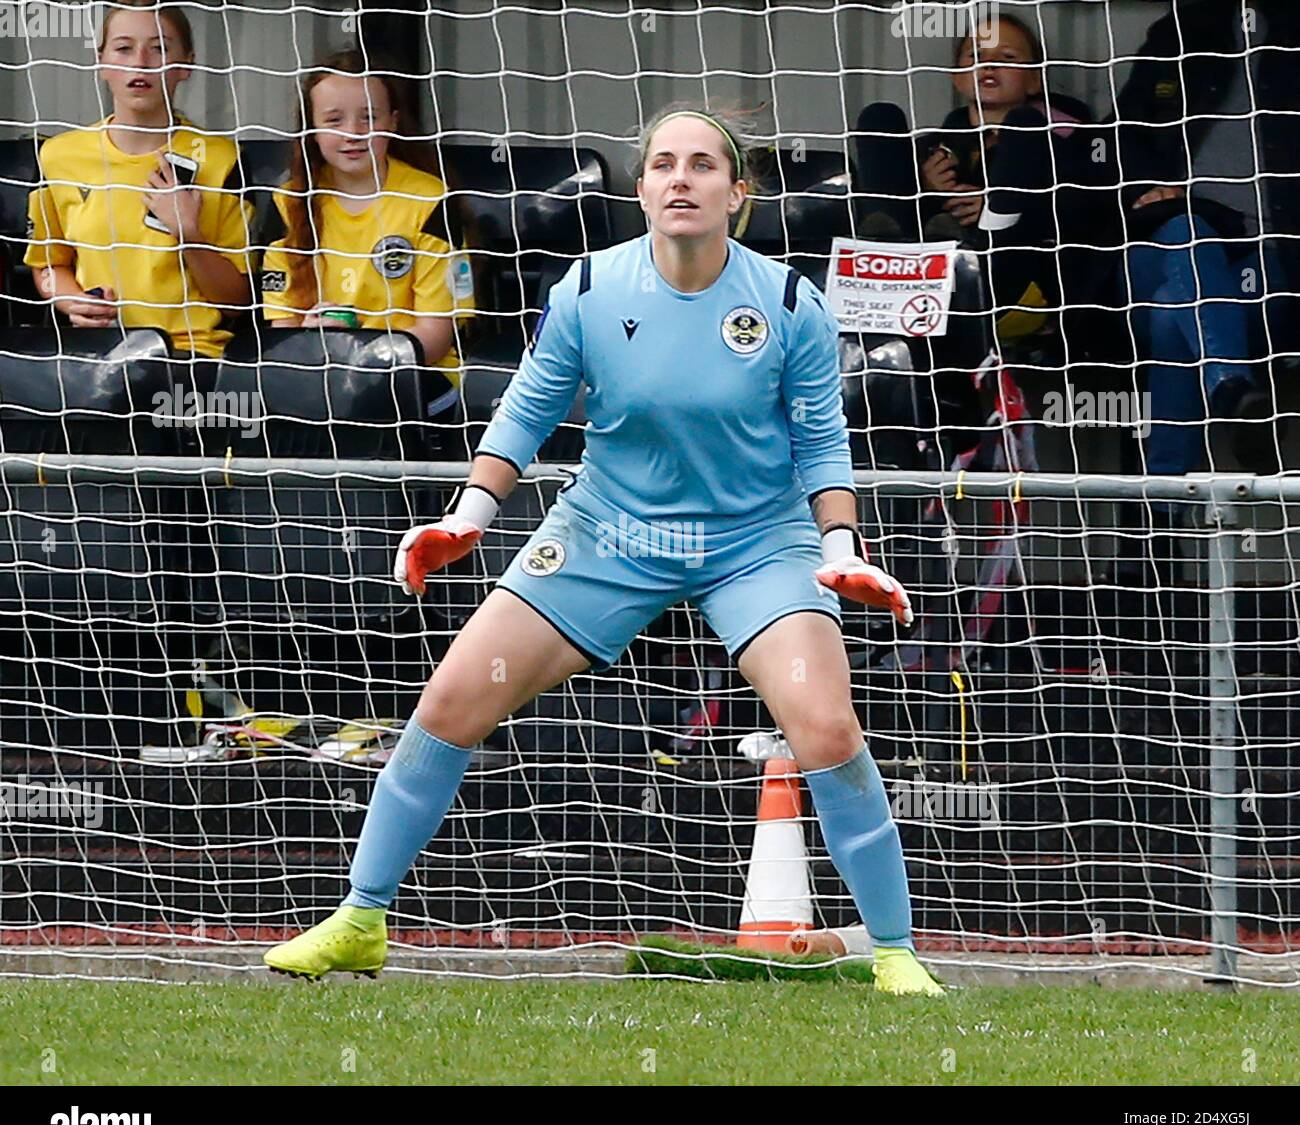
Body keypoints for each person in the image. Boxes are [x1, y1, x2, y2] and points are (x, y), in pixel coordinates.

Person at [264, 104, 944, 996]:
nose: (681, 178)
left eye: (703, 165)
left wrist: (842, 542)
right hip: (609, 529)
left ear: (736, 194)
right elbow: (527, 409)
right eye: (664, 163)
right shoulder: (587, 287)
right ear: (641, 188)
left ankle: (894, 951)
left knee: (824, 728)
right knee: (450, 703)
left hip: (756, 542)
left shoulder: (787, 303)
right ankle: (359, 918)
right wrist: (468, 514)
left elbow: (822, 444)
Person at [25, 0, 252, 395]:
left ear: (186, 65)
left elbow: (237, 301)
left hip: (188, 361)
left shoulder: (221, 160)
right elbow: (49, 265)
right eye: (124, 48)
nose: (141, 63)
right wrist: (73, 301)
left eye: (160, 48)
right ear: (101, 62)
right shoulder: (58, 156)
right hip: (94, 359)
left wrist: (189, 235)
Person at [1114, 0, 1300, 479]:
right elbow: (1120, 137)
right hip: (1165, 241)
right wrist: (1148, 188)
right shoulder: (1180, 32)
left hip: (1267, 258)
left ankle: (1159, 516)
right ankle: (1233, 388)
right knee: (1185, 233)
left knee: (1169, 314)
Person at [853, 13, 1114, 342]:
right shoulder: (930, 151)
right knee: (880, 116)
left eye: (1007, 58)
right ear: (957, 77)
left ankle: (984, 236)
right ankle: (884, 251)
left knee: (1024, 123)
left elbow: (1090, 212)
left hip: (1010, 288)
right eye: (976, 57)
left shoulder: (1070, 143)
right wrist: (924, 187)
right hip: (914, 286)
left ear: (1035, 80)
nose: (989, 66)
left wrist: (998, 204)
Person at [259, 50, 474, 406]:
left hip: (411, 371)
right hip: (314, 368)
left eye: (368, 118)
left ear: (392, 121)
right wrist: (309, 339)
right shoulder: (289, 203)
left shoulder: (431, 200)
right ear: (311, 129)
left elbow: (436, 337)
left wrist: (360, 355)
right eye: (334, 120)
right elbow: (281, 332)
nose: (353, 133)